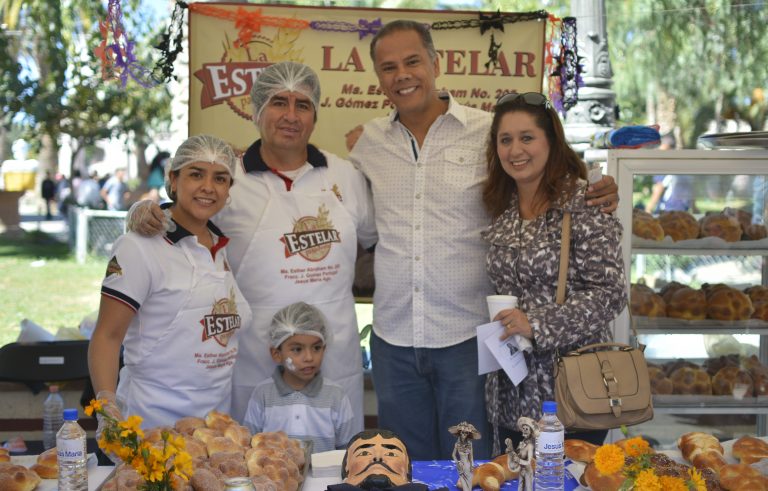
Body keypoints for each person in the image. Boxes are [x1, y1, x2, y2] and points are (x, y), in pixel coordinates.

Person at [346, 19, 619, 461]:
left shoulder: (486, 135)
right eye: (388, 67)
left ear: (435, 63)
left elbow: (540, 183)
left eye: (413, 61)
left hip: (468, 341)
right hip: (393, 341)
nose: (402, 75)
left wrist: (593, 188)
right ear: (378, 77)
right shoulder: (368, 143)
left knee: (471, 467)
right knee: (403, 469)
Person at [125, 61, 377, 431]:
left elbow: (374, 245)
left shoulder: (345, 176)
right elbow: (181, 219)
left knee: (334, 468)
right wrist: (142, 212)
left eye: (302, 105)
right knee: (254, 467)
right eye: (278, 102)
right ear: (256, 111)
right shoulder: (231, 179)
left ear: (315, 116)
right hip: (253, 363)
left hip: (333, 359)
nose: (290, 115)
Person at [480, 92, 627, 451]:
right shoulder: (501, 206)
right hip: (510, 394)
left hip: (572, 395)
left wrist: (537, 324)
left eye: (527, 137)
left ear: (551, 141)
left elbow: (610, 293)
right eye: (506, 140)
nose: (516, 150)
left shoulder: (583, 202)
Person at [88, 135, 252, 431]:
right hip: (151, 426)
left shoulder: (221, 245)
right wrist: (107, 407)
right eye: (196, 174)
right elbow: (107, 337)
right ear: (173, 180)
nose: (207, 187)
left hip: (214, 431)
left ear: (229, 190)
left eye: (220, 178)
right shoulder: (139, 246)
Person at [243, 301, 356, 453]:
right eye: (297, 349)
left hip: (326, 476)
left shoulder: (336, 396)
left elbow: (348, 450)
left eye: (316, 348)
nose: (309, 357)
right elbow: (249, 446)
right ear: (277, 354)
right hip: (275, 475)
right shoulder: (262, 394)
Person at [506, 417, 536, 491]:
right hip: (521, 470)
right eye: (523, 428)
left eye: (527, 429)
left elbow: (528, 461)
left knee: (528, 488)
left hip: (528, 471)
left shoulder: (530, 446)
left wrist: (519, 460)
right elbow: (516, 455)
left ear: (531, 432)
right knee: (520, 488)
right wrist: (510, 447)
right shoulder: (521, 443)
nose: (524, 430)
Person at [448, 422, 480, 491]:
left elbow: (471, 456)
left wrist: (472, 465)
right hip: (461, 466)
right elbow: (453, 454)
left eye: (466, 433)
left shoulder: (470, 444)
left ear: (468, 434)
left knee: (469, 486)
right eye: (463, 432)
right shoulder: (457, 444)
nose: (464, 434)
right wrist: (457, 462)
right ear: (460, 432)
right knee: (465, 488)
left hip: (468, 466)